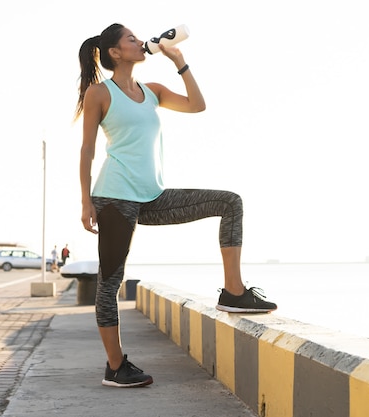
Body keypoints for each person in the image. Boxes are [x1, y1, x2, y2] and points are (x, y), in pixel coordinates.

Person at [75, 23, 277, 388]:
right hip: (115, 196)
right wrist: (86, 199)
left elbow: (197, 105)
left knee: (229, 202)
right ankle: (116, 366)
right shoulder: (99, 94)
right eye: (131, 39)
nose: (140, 42)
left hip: (152, 195)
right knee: (111, 281)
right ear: (116, 53)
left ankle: (234, 292)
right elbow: (87, 148)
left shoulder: (151, 91)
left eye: (139, 38)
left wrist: (179, 61)